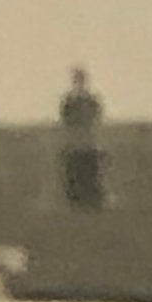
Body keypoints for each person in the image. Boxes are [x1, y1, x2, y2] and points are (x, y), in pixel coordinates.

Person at [58, 66, 107, 210]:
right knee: (75, 171)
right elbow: (66, 119)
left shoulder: (89, 100)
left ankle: (91, 200)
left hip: (87, 142)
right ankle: (77, 201)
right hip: (76, 141)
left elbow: (96, 117)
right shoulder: (70, 100)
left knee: (89, 171)